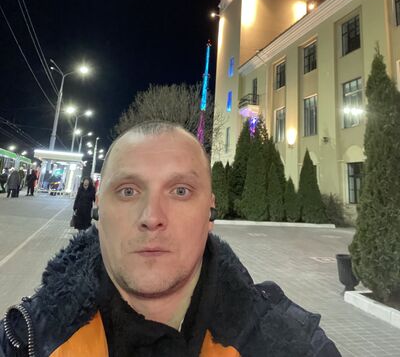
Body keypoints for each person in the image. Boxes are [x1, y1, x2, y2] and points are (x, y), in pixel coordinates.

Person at [0, 122, 341, 356]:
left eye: (180, 191)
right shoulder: (24, 338)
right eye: (128, 191)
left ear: (210, 211)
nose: (151, 217)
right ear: (99, 207)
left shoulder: (292, 344)